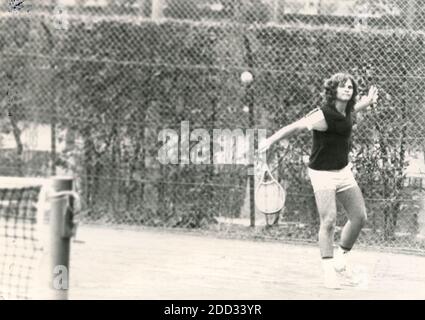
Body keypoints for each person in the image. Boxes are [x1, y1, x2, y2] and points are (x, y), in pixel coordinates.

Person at [258, 72, 379, 289]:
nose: (347, 89)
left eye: (350, 87)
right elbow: (294, 127)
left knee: (359, 217)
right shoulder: (322, 115)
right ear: (333, 90)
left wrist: (367, 102)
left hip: (343, 171)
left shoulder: (347, 110)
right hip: (322, 173)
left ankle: (341, 258)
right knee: (329, 220)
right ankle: (328, 271)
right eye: (342, 86)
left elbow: (352, 112)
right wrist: (271, 140)